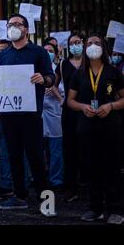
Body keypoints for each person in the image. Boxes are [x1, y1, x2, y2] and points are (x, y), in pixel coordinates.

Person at [0, 14, 54, 213]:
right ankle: (19, 196)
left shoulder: (38, 52)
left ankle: (46, 200)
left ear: (26, 29)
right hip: (9, 115)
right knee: (14, 157)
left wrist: (43, 79)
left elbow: (51, 77)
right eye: (10, 24)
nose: (13, 27)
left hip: (30, 114)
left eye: (17, 24)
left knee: (36, 157)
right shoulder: (3, 55)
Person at [67, 34, 124, 225]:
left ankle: (115, 209)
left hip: (110, 126)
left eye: (97, 43)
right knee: (91, 167)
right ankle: (95, 208)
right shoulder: (79, 74)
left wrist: (111, 106)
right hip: (86, 126)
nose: (92, 46)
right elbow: (70, 101)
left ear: (104, 48)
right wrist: (83, 107)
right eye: (89, 43)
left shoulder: (113, 72)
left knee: (111, 166)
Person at [54, 34, 84, 202]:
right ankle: (71, 186)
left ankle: (88, 181)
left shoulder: (89, 62)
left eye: (78, 42)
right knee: (70, 148)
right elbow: (54, 83)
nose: (75, 46)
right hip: (69, 111)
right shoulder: (63, 64)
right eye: (72, 43)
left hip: (87, 110)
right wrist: (61, 99)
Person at [42, 42, 64, 190]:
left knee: (56, 150)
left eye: (51, 51)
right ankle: (38, 177)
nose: (48, 53)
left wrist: (54, 89)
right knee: (38, 149)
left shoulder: (59, 70)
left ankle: (56, 179)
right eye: (45, 51)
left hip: (55, 113)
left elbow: (65, 89)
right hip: (38, 114)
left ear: (55, 54)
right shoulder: (34, 70)